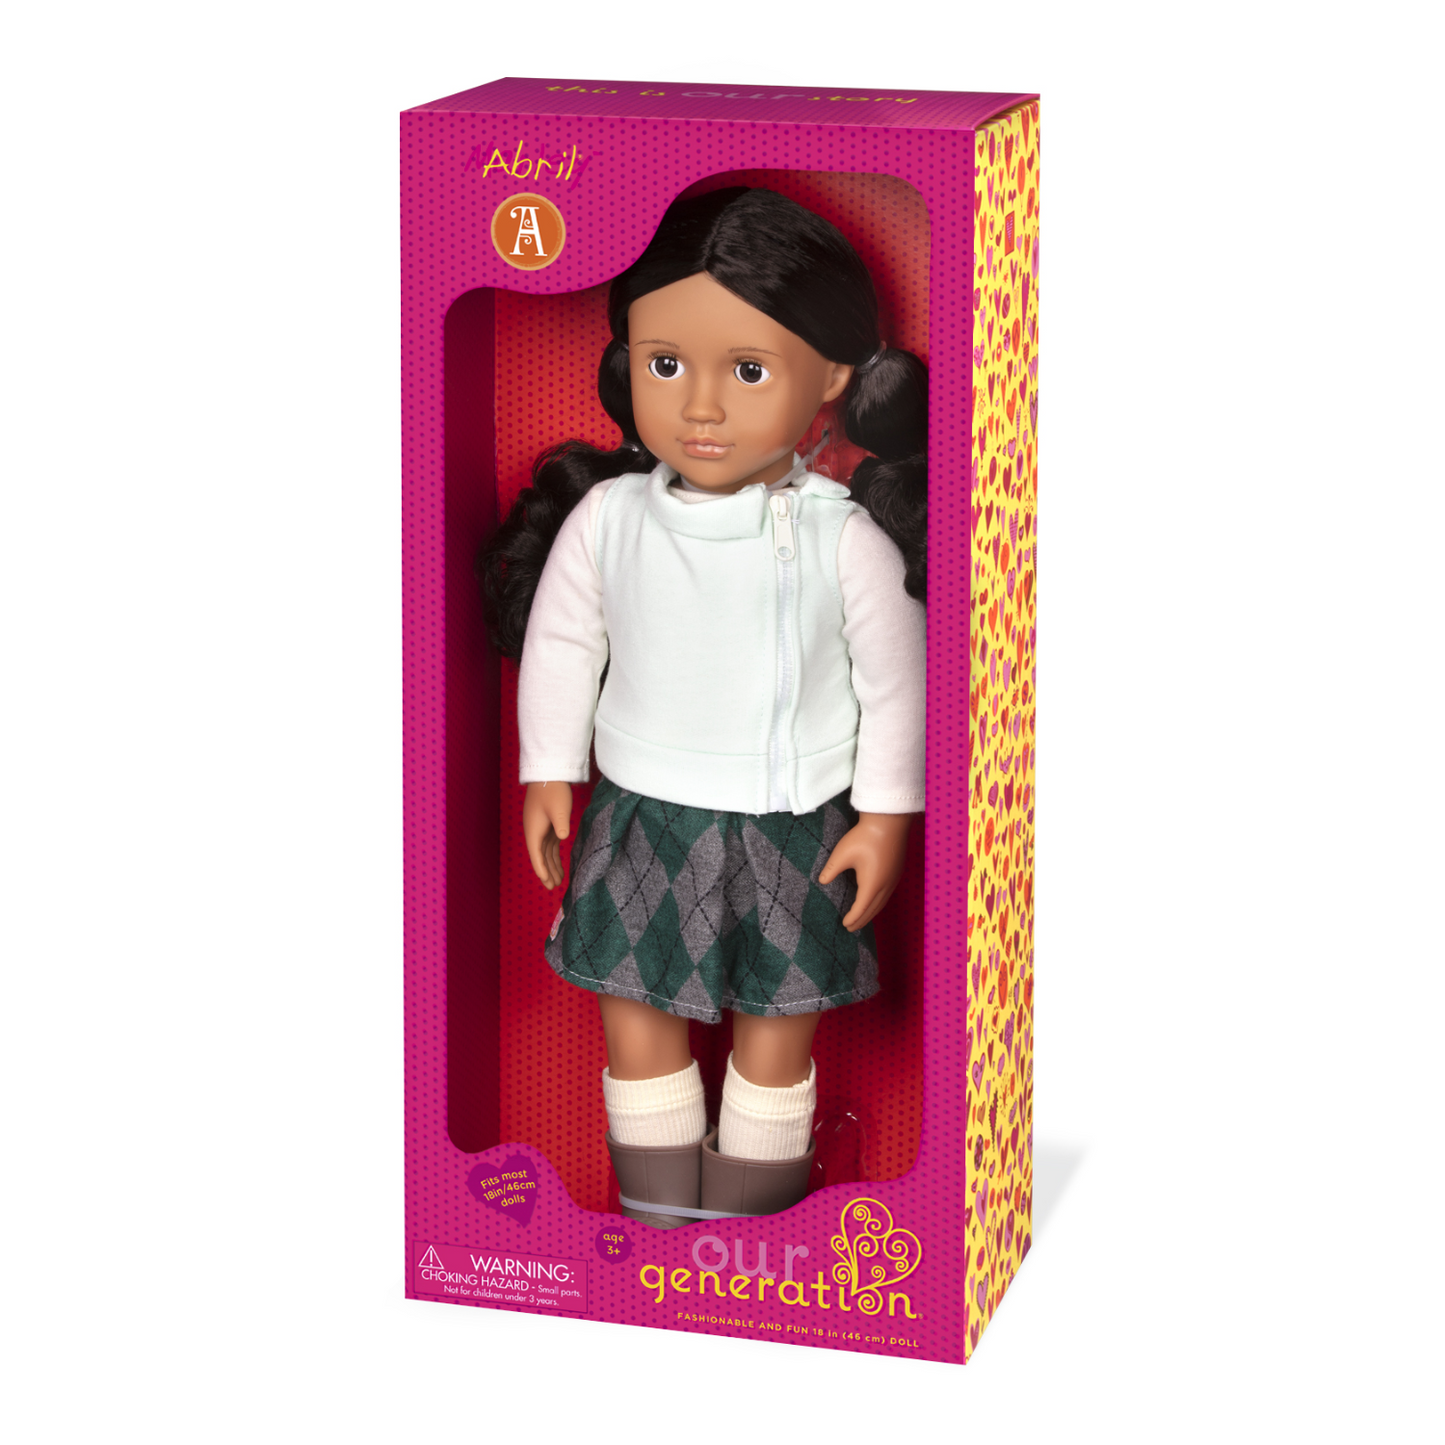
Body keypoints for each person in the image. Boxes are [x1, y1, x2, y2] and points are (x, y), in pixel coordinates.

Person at [480, 186, 927, 1226]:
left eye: (749, 370)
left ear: (832, 377)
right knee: (636, 1026)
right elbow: (563, 643)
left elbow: (893, 682)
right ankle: (656, 1231)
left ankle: (746, 1240)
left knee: (776, 1038)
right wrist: (548, 768)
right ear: (626, 359)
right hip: (640, 812)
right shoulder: (609, 517)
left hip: (793, 821)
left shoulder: (840, 537)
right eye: (665, 364)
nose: (701, 407)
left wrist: (885, 814)